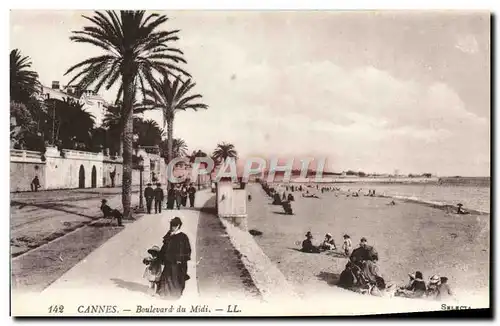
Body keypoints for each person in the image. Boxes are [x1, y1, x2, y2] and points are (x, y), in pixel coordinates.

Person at [157, 217, 192, 299]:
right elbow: (164, 247)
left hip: (178, 263)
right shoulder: (169, 235)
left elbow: (187, 250)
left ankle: (175, 295)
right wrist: (160, 257)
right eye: (171, 225)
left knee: (176, 278)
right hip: (168, 261)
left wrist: (181, 259)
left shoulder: (183, 237)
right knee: (167, 277)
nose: (172, 227)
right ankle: (165, 294)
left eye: (174, 225)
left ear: (178, 226)